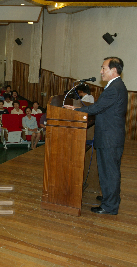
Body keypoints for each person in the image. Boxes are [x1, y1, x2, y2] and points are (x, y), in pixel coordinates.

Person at [64, 57, 127, 215]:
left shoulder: (115, 87)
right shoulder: (115, 86)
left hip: (109, 137)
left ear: (113, 70)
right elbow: (101, 107)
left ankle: (110, 206)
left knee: (110, 171)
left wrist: (75, 111)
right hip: (110, 136)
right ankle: (109, 198)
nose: (101, 71)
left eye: (103, 68)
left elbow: (98, 107)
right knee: (108, 170)